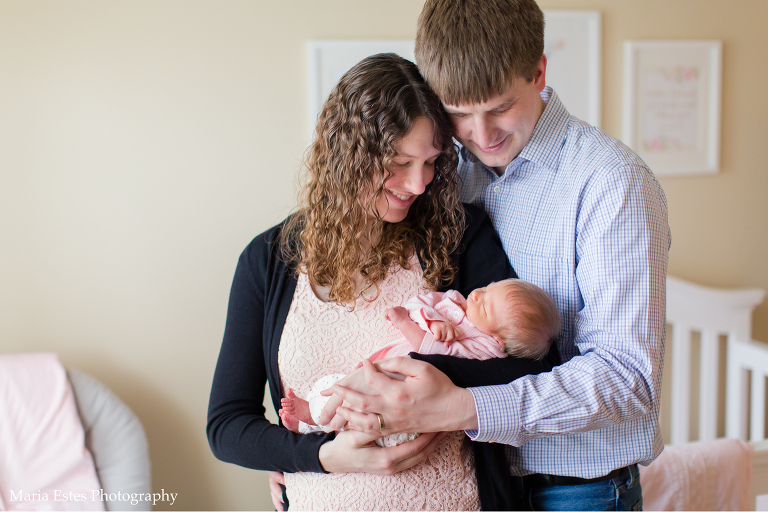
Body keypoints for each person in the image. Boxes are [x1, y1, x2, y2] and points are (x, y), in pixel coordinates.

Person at [319, 1, 671, 510]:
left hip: (578, 489)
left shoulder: (611, 183)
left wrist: (461, 408)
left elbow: (626, 377)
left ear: (539, 72)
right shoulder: (444, 172)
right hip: (477, 484)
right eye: (459, 113)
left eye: (500, 107)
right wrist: (308, 450)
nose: (482, 136)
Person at [207, 53, 554, 511]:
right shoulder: (268, 260)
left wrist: (429, 378)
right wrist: (322, 455)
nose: (417, 183)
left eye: (431, 161)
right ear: (347, 155)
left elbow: (526, 365)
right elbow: (227, 426)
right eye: (398, 162)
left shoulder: (458, 235)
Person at [279, 278, 560, 442]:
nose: (476, 295)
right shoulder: (454, 300)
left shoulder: (485, 347)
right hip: (387, 364)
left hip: (405, 390)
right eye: (487, 289)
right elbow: (419, 303)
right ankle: (312, 423)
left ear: (499, 341)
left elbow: (440, 357)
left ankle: (312, 420)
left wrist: (411, 328)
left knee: (358, 412)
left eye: (485, 305)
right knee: (345, 388)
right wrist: (429, 317)